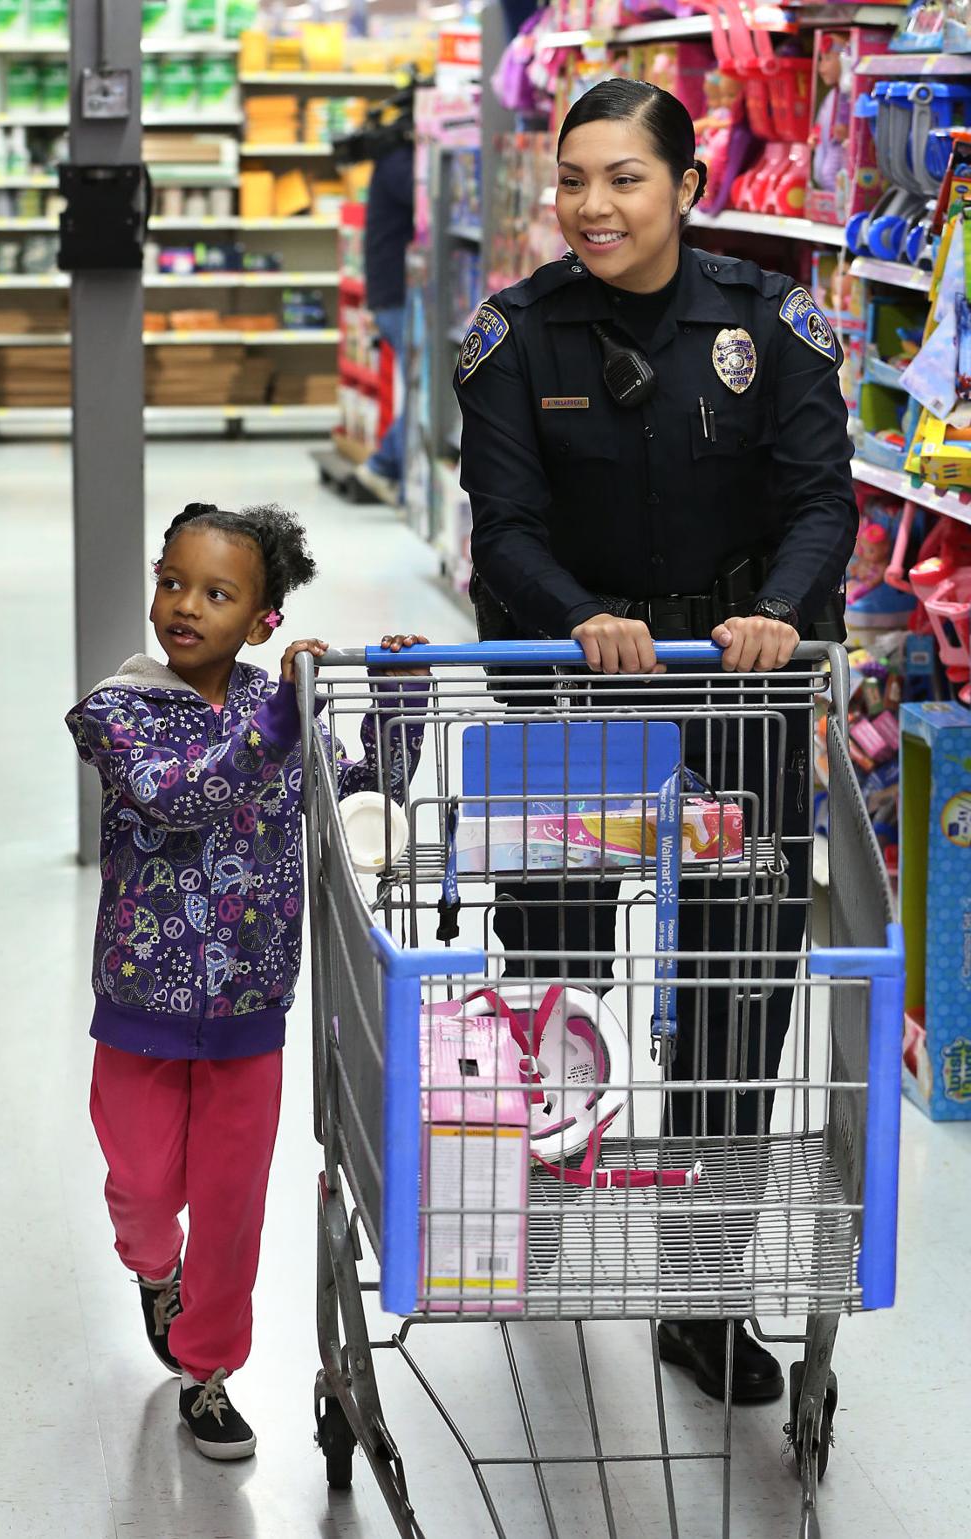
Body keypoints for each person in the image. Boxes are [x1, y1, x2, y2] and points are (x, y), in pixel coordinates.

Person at [454, 78, 858, 1404]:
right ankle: (560, 1236)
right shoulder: (511, 335)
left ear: (684, 185)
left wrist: (780, 616)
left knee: (737, 991)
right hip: (568, 693)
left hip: (733, 693)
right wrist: (582, 621)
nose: (592, 205)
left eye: (624, 177)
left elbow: (820, 502)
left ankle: (703, 1295)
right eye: (574, 179)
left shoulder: (769, 325)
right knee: (557, 974)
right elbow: (502, 527)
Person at [66, 501, 427, 1460]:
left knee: (231, 1208)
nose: (185, 605)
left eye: (217, 593)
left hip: (250, 1014)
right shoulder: (118, 707)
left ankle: (208, 1371)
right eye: (173, 582)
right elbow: (177, 793)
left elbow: (361, 808)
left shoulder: (284, 708)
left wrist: (400, 703)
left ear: (264, 620)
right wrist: (279, 717)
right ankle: (153, 1269)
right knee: (145, 1188)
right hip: (140, 1006)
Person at [354, 138, 415, 505]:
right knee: (429, 387)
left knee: (423, 385)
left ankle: (386, 465)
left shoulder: (392, 159)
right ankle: (382, 465)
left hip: (395, 292)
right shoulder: (398, 162)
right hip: (398, 293)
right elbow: (428, 198)